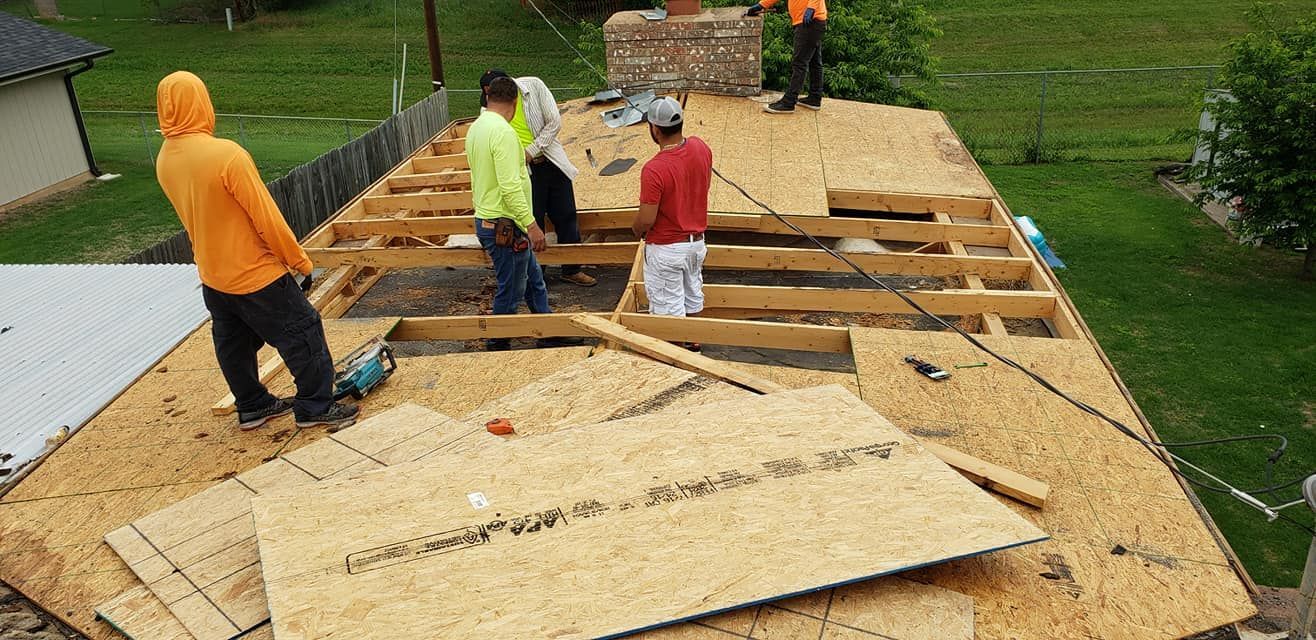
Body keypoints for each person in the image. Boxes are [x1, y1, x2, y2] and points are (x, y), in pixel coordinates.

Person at [154, 71, 358, 432]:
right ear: (201, 103)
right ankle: (314, 406)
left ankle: (252, 405)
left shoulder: (165, 158)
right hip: (254, 272)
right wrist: (299, 261)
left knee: (234, 343)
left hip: (213, 275)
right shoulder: (226, 155)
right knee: (303, 330)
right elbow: (266, 216)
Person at [467, 76, 583, 352]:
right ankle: (497, 342)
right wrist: (531, 226)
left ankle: (548, 330)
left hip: (494, 219)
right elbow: (509, 187)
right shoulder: (504, 134)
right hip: (504, 225)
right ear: (515, 103)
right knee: (512, 289)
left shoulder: (477, 127)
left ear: (489, 98)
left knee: (534, 281)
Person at [479, 69, 597, 288]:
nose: (490, 102)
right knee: (533, 219)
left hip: (549, 161)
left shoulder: (534, 87)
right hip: (524, 172)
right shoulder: (488, 113)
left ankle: (572, 269)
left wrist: (530, 150)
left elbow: (554, 123)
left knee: (566, 214)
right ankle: (537, 274)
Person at [633, 97, 712, 350]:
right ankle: (694, 343)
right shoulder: (701, 147)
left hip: (667, 248)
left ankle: (676, 355)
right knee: (692, 295)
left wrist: (636, 230)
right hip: (696, 245)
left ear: (655, 129)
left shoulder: (655, 169)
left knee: (668, 310)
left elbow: (647, 218)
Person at [746, 0, 827, 113]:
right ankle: (814, 98)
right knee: (814, 62)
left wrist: (812, 7)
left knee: (799, 63)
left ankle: (788, 103)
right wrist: (762, 5)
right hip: (808, 21)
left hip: (810, 20)